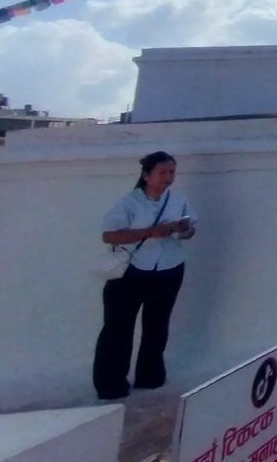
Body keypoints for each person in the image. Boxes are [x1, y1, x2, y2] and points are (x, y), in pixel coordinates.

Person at [92, 150, 196, 401]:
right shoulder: (129, 203)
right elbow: (110, 235)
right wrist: (149, 232)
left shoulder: (178, 200)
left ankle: (150, 376)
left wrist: (183, 229)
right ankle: (111, 384)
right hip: (132, 270)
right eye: (162, 172)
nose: (168, 177)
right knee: (118, 329)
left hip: (169, 268)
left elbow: (191, 232)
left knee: (157, 325)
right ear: (147, 175)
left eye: (171, 172)